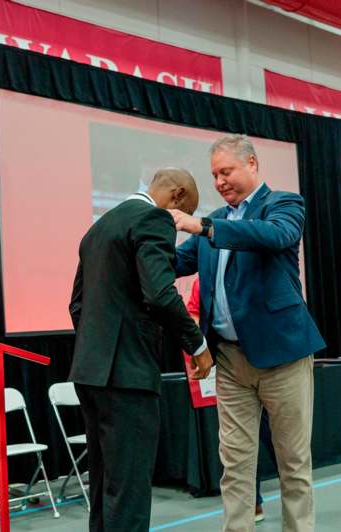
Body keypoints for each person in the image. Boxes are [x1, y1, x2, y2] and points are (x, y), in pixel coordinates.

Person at [171, 134, 326, 532]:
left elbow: (273, 236)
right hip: (230, 362)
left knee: (293, 462)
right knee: (235, 463)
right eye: (214, 175)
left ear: (252, 164)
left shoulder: (284, 205)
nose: (220, 181)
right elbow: (175, 261)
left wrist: (203, 226)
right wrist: (136, 236)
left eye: (227, 171)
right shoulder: (215, 223)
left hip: (284, 357)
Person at [69, 168, 214, 532]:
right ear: (177, 196)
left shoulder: (99, 228)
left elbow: (77, 306)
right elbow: (161, 294)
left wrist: (100, 347)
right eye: (185, 212)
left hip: (90, 372)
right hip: (128, 374)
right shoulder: (153, 219)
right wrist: (197, 346)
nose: (179, 223)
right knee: (130, 492)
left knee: (104, 486)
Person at [186, 277, 278, 524]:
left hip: (269, 363)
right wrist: (199, 345)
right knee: (240, 445)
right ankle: (254, 503)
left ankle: (291, 486)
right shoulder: (203, 280)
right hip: (231, 366)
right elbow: (193, 312)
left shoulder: (253, 265)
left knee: (277, 441)